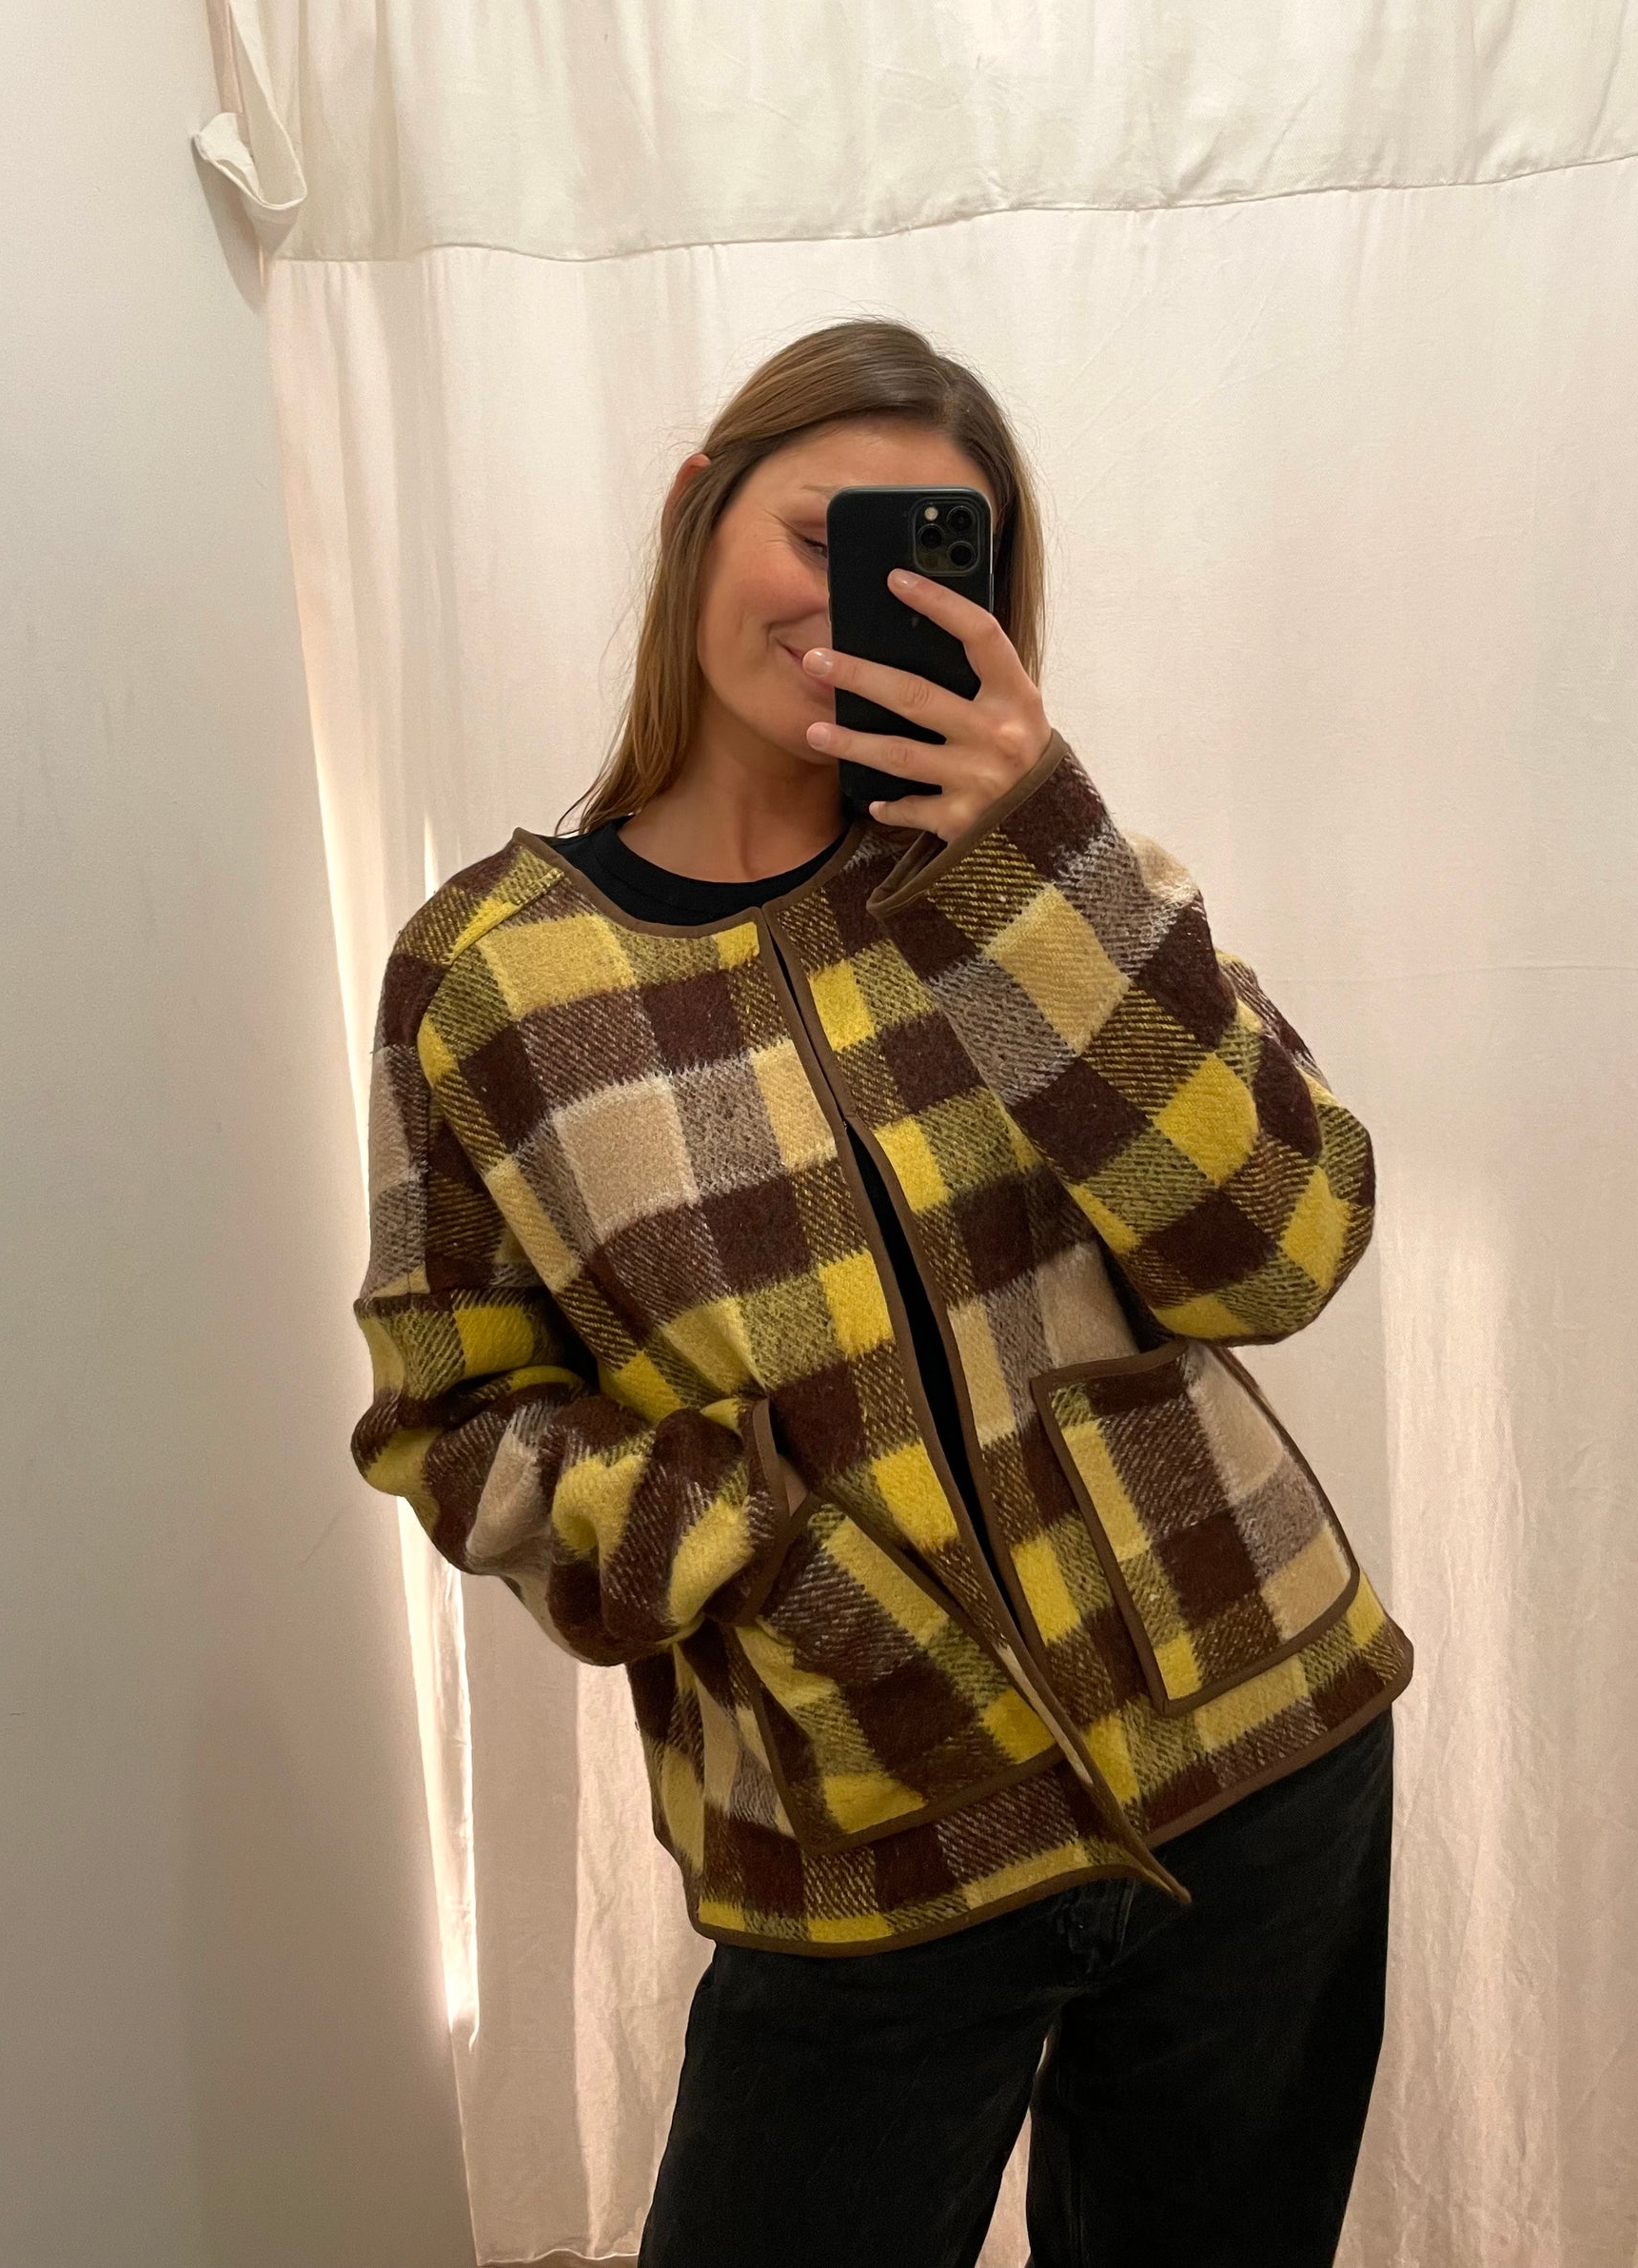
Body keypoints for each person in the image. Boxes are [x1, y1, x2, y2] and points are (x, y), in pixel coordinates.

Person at [350, 318, 1413, 2267]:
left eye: (937, 564)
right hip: (860, 1814)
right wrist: (741, 1541)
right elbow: (449, 1412)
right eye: (822, 533)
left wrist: (1035, 863)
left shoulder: (1064, 877)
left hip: (1260, 1751)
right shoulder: (489, 973)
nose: (860, 602)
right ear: (698, 512)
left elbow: (1280, 1239)